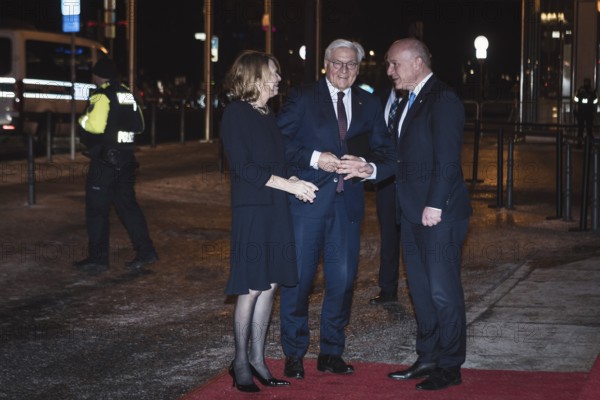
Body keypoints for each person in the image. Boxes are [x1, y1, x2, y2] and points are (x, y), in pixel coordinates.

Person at [278, 38, 396, 379]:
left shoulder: (370, 103)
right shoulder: (302, 98)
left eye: (351, 65)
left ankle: (331, 352)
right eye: (338, 63)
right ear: (326, 65)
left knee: (342, 284)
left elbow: (386, 154)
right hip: (307, 202)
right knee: (298, 283)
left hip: (348, 207)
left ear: (358, 69)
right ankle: (294, 353)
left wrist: (368, 167)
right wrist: (316, 158)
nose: (344, 70)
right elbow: (280, 142)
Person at [220, 50, 318, 393]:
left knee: (271, 284)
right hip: (252, 209)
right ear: (254, 76)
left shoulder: (267, 114)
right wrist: (287, 184)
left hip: (276, 207)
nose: (278, 77)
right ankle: (240, 362)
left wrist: (297, 185)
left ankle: (260, 360)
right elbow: (244, 168)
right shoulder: (236, 114)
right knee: (251, 288)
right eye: (272, 72)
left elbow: (277, 163)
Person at [384, 38, 472, 391]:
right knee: (420, 291)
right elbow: (403, 157)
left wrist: (434, 205)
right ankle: (428, 356)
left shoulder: (443, 99)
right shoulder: (410, 99)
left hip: (440, 215)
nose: (390, 71)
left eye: (394, 64)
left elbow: (448, 160)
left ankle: (450, 365)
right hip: (411, 213)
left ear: (417, 62)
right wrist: (369, 168)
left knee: (442, 292)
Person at [73, 58, 158, 274]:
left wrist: (81, 120)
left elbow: (94, 125)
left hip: (105, 163)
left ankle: (98, 259)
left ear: (97, 75)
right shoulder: (127, 93)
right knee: (128, 207)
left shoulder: (101, 94)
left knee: (97, 211)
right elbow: (140, 125)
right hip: (127, 161)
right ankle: (146, 251)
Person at [370, 82, 404, 305]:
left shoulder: (417, 99)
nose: (392, 71)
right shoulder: (378, 96)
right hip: (385, 179)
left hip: (412, 178)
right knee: (388, 236)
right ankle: (388, 288)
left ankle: (421, 289)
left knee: (414, 237)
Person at [574, 78, 597, 147]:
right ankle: (580, 143)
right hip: (582, 112)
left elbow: (595, 100)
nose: (586, 83)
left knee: (588, 129)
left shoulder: (592, 91)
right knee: (580, 129)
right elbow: (576, 98)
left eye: (587, 82)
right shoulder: (581, 90)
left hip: (588, 112)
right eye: (585, 82)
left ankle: (589, 143)